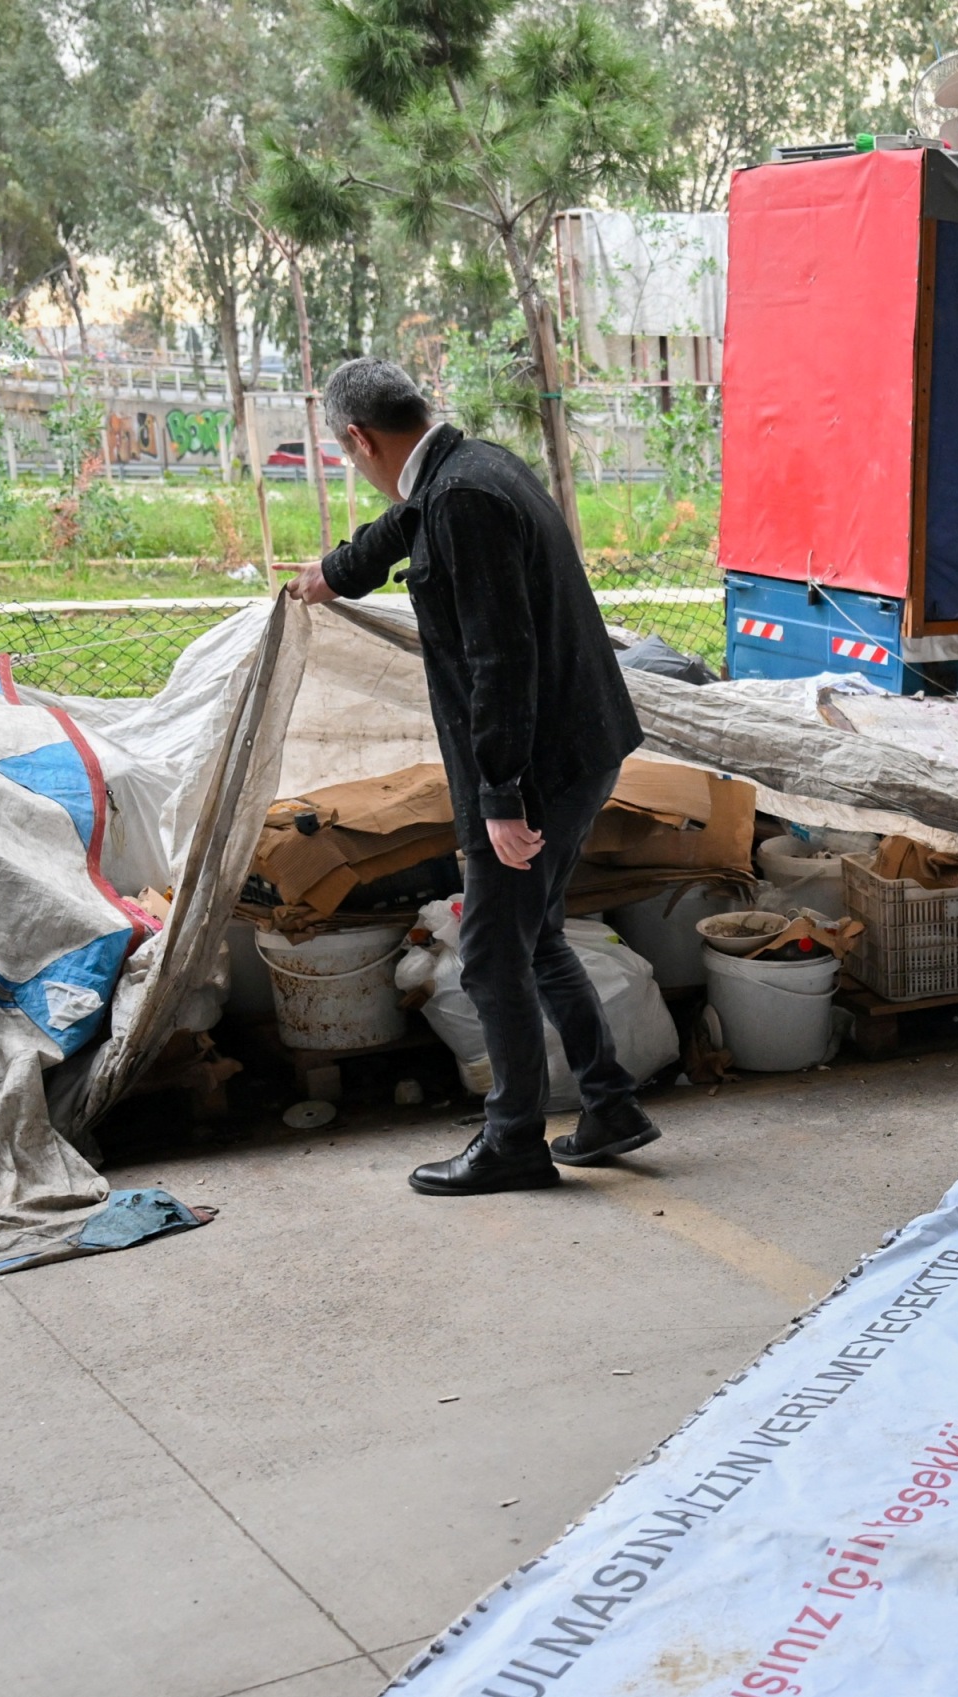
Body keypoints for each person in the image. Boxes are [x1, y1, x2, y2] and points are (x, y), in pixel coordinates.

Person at [292, 357, 659, 1195]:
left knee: (493, 956)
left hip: (538, 761)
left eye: (350, 456)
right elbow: (409, 522)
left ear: (359, 438)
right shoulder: (472, 466)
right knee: (536, 936)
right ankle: (609, 1104)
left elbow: (501, 660)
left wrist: (501, 797)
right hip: (579, 743)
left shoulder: (462, 499)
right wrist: (336, 571)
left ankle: (514, 1141)